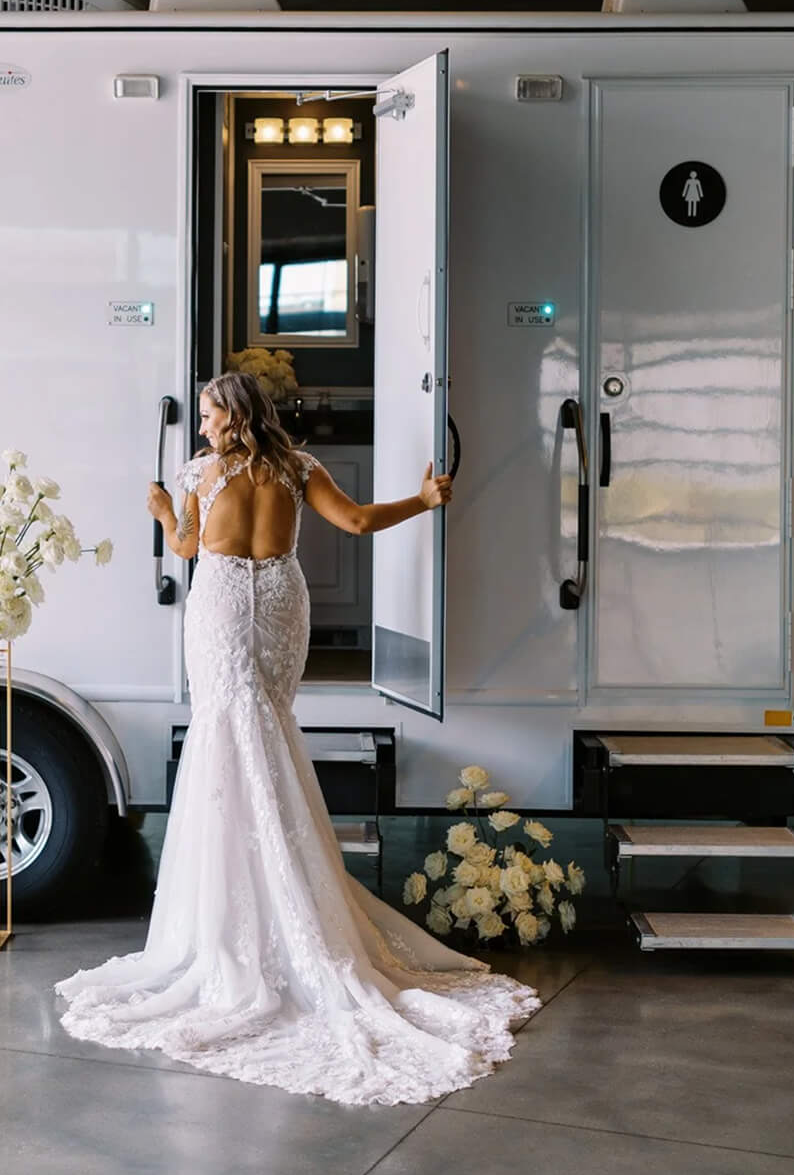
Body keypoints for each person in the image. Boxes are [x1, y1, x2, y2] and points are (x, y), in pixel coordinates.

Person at [53, 372, 541, 1107]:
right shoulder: (297, 468)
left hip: (221, 606)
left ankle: (236, 908)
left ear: (235, 415)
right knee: (267, 728)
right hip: (283, 601)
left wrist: (160, 514)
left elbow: (187, 547)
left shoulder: (198, 476)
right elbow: (358, 525)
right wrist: (427, 500)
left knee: (228, 731)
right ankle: (292, 889)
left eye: (211, 415)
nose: (202, 429)